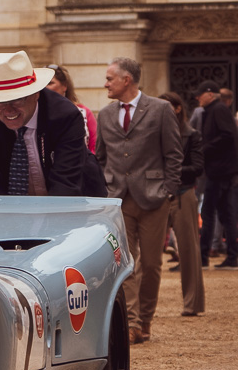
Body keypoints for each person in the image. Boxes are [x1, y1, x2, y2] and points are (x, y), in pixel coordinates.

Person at [95, 57, 182, 345]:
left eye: (110, 79)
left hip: (154, 199)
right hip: (118, 199)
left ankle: (145, 320)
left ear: (126, 80)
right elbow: (101, 157)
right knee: (126, 263)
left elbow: (173, 154)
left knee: (153, 264)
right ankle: (131, 323)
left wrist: (168, 191)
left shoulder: (160, 109)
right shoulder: (105, 114)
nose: (105, 84)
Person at [0, 51, 107, 198]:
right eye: (0, 101)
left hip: (75, 198)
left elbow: (66, 184)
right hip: (11, 205)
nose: (8, 109)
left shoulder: (65, 115)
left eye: (17, 99)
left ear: (36, 94)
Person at [161, 91, 205, 316]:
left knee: (188, 250)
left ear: (178, 108)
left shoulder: (191, 134)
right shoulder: (153, 132)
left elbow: (198, 167)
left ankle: (192, 304)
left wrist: (171, 172)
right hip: (156, 195)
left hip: (183, 193)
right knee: (144, 255)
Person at [195, 80, 238, 269]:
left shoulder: (218, 109)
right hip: (220, 170)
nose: (197, 98)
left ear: (210, 94)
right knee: (224, 214)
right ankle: (231, 256)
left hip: (220, 171)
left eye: (200, 94)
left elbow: (228, 135)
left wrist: (205, 149)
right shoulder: (213, 110)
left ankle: (204, 257)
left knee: (210, 213)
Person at [46, 64, 97, 152]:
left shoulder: (83, 112)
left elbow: (95, 146)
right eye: (43, 84)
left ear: (64, 86)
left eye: (50, 83)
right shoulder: (36, 113)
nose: (45, 88)